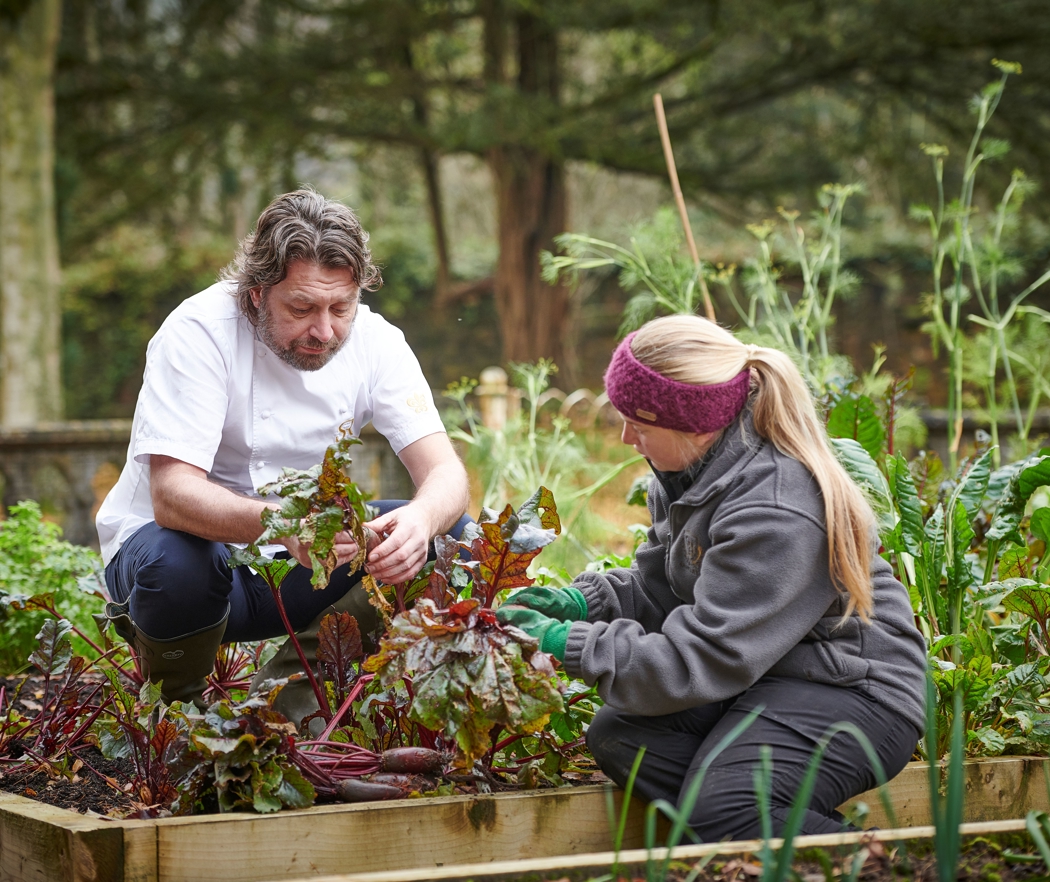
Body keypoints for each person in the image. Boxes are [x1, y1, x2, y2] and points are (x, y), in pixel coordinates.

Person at [497, 315, 927, 842]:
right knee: (622, 736)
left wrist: (565, 644)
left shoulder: (776, 506)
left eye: (641, 424)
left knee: (726, 808)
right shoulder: (687, 472)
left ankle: (873, 861)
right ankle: (759, 836)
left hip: (852, 691)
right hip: (766, 675)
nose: (628, 438)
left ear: (693, 423)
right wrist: (579, 602)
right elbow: (661, 585)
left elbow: (700, 660)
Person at [96, 188, 471, 720]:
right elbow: (172, 496)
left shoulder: (377, 341)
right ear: (254, 293)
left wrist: (420, 520)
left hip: (302, 568)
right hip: (178, 570)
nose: (324, 330)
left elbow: (445, 472)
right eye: (301, 308)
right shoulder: (198, 331)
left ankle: (287, 707)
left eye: (342, 307)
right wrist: (282, 524)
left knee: (452, 538)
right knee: (176, 558)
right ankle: (177, 720)